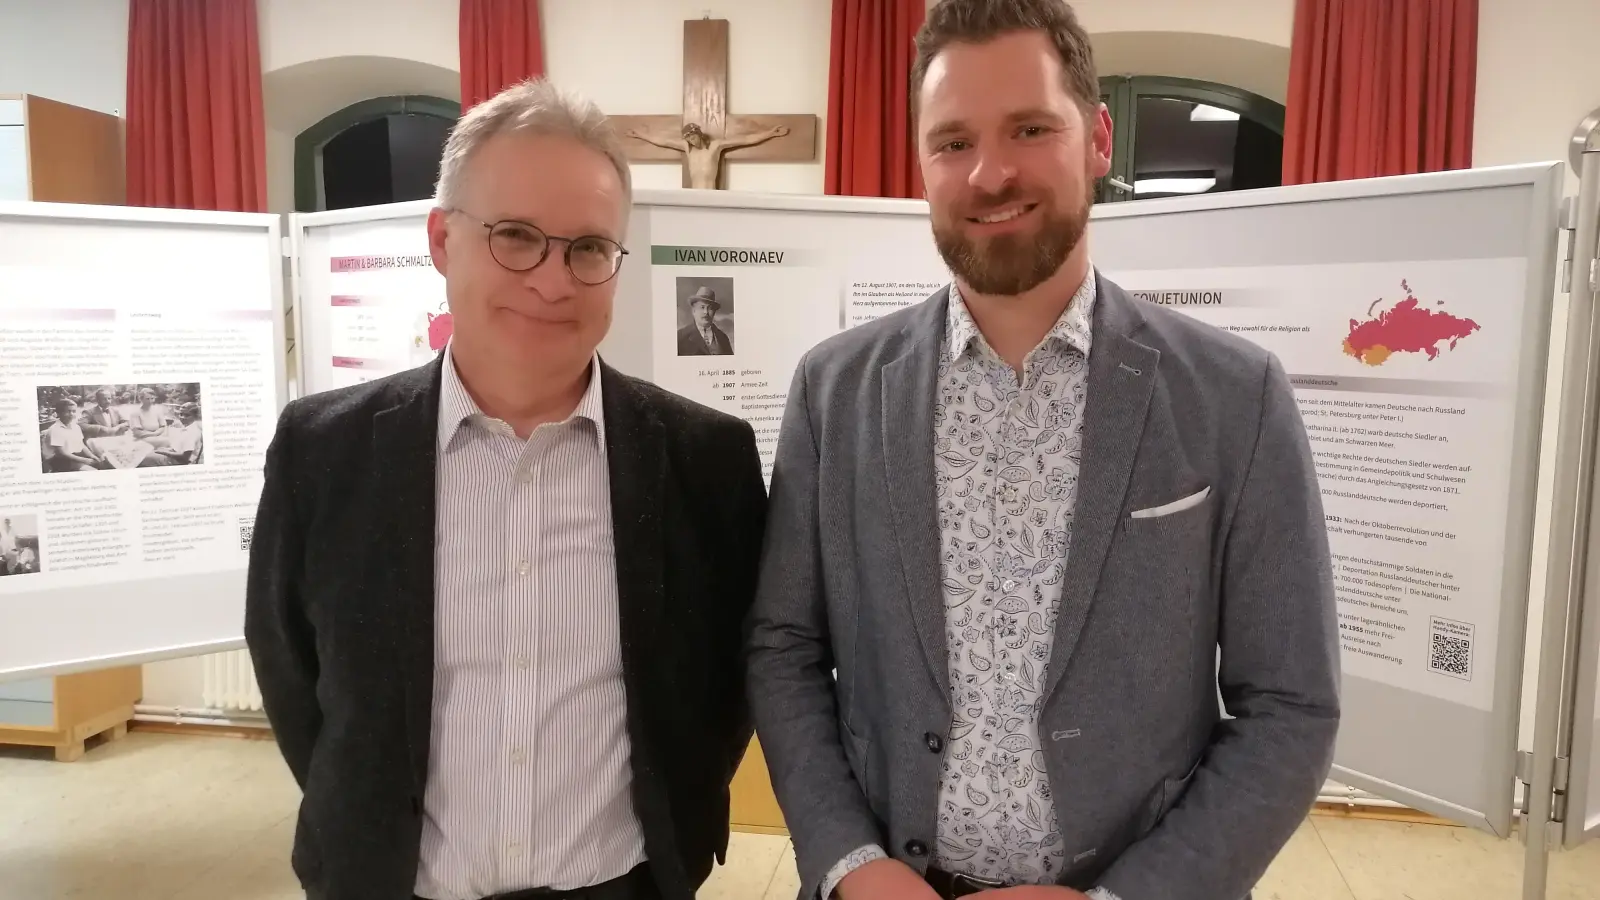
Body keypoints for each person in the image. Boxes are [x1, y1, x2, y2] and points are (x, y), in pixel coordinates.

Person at [745, 2, 1341, 900]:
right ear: (920, 159)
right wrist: (848, 862)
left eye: (1030, 128)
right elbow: (784, 647)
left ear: (1097, 137)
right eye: (952, 142)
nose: (990, 172)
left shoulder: (1234, 397)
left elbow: (1291, 708)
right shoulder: (834, 391)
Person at [245, 77, 767, 900]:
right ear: (441, 240)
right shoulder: (325, 451)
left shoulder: (704, 460)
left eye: (588, 248)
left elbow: (727, 681)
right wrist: (367, 815)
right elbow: (289, 665)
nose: (553, 281)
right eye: (515, 236)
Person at [625, 121, 791, 190]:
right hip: (692, 196)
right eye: (688, 138)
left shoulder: (715, 147)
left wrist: (770, 133)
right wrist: (640, 135)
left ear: (698, 134)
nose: (690, 140)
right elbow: (663, 141)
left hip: (711, 194)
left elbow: (745, 139)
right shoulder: (688, 148)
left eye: (692, 136)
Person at [677, 286, 734, 355]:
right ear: (694, 311)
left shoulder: (723, 338)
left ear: (714, 312)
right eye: (702, 307)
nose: (706, 312)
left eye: (710, 308)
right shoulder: (680, 337)